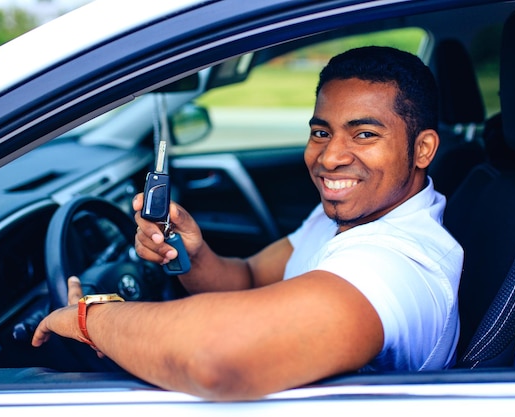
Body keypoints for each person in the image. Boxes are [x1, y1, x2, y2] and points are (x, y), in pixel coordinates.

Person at [32, 46, 464, 401]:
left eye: (364, 135)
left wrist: (88, 319)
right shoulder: (354, 214)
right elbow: (251, 277)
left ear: (423, 149)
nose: (330, 157)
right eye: (321, 132)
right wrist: (190, 256)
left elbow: (217, 358)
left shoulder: (397, 263)